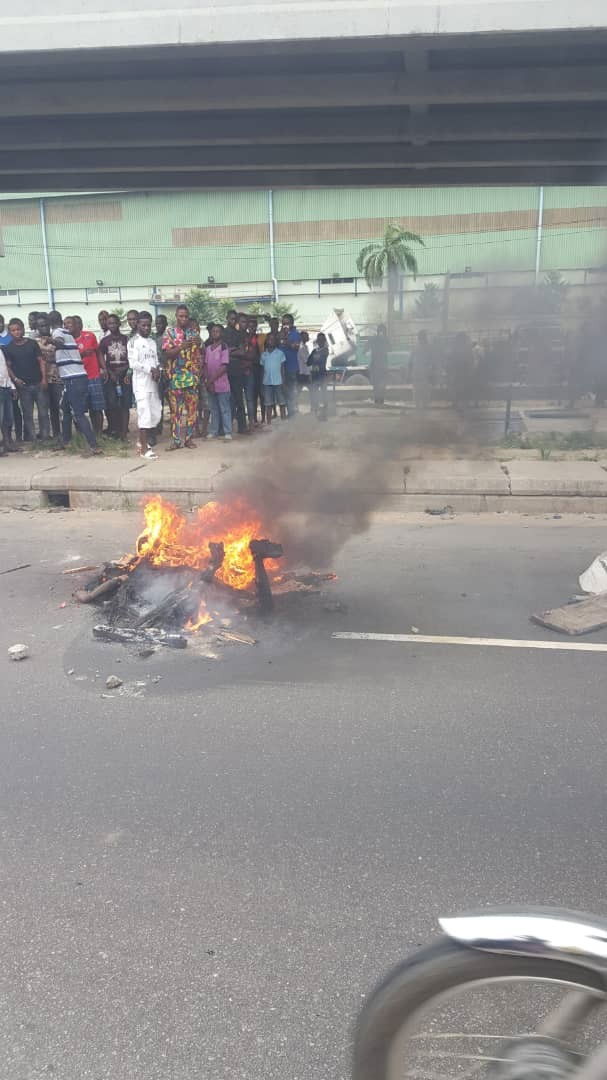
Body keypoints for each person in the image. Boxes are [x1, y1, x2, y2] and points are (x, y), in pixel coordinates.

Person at [48, 309, 100, 453]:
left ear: (50, 322)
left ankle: (93, 445)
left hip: (74, 380)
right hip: (75, 379)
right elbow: (64, 354)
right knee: (65, 409)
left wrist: (50, 340)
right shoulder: (68, 334)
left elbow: (58, 343)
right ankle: (65, 441)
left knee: (78, 413)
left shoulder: (57, 332)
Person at [162, 304, 200, 450]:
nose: (183, 319)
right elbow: (166, 354)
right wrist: (181, 347)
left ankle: (189, 439)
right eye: (181, 316)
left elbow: (198, 355)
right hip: (176, 379)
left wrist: (199, 343)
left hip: (191, 379)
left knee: (191, 411)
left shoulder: (193, 333)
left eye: (186, 316)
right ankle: (176, 441)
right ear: (176, 316)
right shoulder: (170, 333)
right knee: (175, 412)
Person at [4, 318, 50, 442]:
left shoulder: (32, 343)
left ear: (23, 329)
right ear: (10, 333)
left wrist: (44, 378)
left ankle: (45, 437)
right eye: (13, 330)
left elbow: (41, 361)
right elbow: (8, 366)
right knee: (28, 414)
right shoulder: (9, 348)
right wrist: (15, 379)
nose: (17, 332)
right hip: (23, 386)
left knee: (43, 412)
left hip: (38, 383)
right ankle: (33, 439)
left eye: (18, 329)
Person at [128, 311, 162, 459]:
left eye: (149, 325)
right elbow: (133, 363)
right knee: (145, 416)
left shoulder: (152, 342)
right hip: (141, 385)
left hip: (153, 384)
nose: (147, 328)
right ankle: (144, 449)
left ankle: (141, 442)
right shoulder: (133, 342)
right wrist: (150, 370)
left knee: (156, 414)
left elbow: (156, 361)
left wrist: (159, 370)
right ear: (138, 325)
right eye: (144, 325)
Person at [69, 315, 104, 437]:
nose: (78, 325)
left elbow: (98, 352)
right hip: (78, 378)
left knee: (97, 408)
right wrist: (82, 354)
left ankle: (98, 433)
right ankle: (82, 435)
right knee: (78, 410)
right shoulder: (67, 341)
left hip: (94, 375)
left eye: (79, 323)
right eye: (75, 323)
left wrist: (103, 368)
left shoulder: (90, 336)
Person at [99, 314, 130, 440]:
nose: (112, 325)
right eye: (109, 323)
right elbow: (100, 354)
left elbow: (131, 356)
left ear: (119, 324)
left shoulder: (126, 339)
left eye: (114, 323)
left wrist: (125, 369)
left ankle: (123, 433)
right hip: (111, 376)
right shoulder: (105, 341)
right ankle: (115, 429)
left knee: (125, 404)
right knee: (112, 403)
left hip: (124, 376)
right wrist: (106, 370)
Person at [36, 313, 63, 441]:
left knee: (59, 407)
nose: (44, 328)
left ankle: (62, 434)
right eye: (41, 326)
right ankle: (50, 434)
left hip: (57, 378)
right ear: (37, 328)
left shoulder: (56, 339)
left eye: (46, 325)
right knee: (46, 409)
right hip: (42, 379)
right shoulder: (34, 342)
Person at [205, 324, 232, 440]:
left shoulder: (224, 347)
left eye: (217, 331)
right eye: (213, 331)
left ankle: (227, 432)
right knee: (214, 409)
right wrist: (208, 381)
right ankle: (213, 431)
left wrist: (211, 380)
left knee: (224, 409)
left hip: (222, 385)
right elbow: (205, 366)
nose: (215, 333)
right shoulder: (207, 348)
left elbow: (224, 367)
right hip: (211, 385)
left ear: (222, 334)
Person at [260, 332, 287, 425]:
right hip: (267, 383)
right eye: (269, 339)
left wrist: (283, 382)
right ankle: (269, 423)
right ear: (266, 341)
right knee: (268, 404)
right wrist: (262, 383)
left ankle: (283, 421)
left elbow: (282, 369)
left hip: (278, 382)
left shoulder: (280, 353)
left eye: (273, 339)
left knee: (282, 402)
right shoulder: (263, 355)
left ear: (276, 342)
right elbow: (263, 370)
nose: (271, 341)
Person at [279, 313, 301, 417]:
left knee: (292, 391)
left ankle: (293, 413)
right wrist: (281, 336)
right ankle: (289, 412)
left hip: (292, 368)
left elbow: (296, 347)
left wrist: (286, 339)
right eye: (283, 323)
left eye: (287, 323)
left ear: (292, 324)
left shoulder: (295, 334)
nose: (285, 325)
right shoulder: (280, 334)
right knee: (284, 392)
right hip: (280, 368)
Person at [307, 332, 329, 419]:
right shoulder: (315, 351)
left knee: (323, 394)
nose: (320, 341)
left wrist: (314, 358)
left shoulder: (325, 350)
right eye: (319, 340)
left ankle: (324, 413)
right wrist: (314, 357)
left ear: (324, 341)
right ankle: (315, 412)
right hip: (315, 375)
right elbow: (308, 362)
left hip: (321, 375)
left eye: (322, 340)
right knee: (314, 394)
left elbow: (317, 359)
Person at [0, 339, 17, 454]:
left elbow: (5, 369)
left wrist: (12, 386)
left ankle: (7, 443)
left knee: (8, 418)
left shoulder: (2, 350)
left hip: (6, 387)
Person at [411, 330, 433, 412]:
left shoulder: (417, 347)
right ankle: (422, 406)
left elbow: (411, 360)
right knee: (423, 390)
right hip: (422, 372)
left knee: (419, 390)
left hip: (420, 372)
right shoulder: (428, 347)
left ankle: (420, 407)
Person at [154, 314, 169, 437]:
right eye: (157, 323)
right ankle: (158, 426)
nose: (159, 325)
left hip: (169, 373)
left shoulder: (169, 338)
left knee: (173, 401)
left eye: (161, 323)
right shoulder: (152, 338)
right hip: (158, 374)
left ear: (166, 324)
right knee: (158, 402)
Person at [368, 325, 389, 406]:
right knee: (382, 384)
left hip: (375, 365)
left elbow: (365, 348)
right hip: (382, 366)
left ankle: (377, 401)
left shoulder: (373, 339)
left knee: (376, 384)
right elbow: (390, 348)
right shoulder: (385, 340)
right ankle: (381, 401)